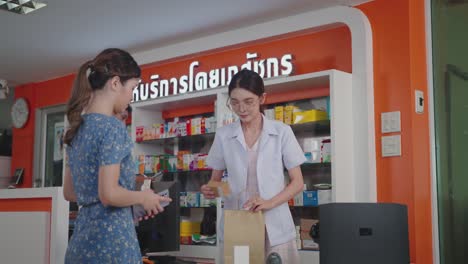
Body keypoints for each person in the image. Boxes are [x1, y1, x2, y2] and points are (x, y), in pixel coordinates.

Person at [63, 48, 171, 263]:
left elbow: (70, 192)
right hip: (113, 243)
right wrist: (143, 197)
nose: (131, 97)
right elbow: (108, 194)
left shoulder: (76, 128)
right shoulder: (113, 128)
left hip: (82, 243)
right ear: (115, 83)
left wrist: (129, 204)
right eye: (132, 88)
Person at [201, 69, 306, 263]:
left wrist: (269, 203)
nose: (241, 109)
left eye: (248, 101)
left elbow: (298, 182)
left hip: (274, 224)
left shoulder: (281, 132)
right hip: (239, 224)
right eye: (234, 102)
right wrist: (212, 190)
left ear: (262, 98)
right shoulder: (224, 135)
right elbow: (216, 183)